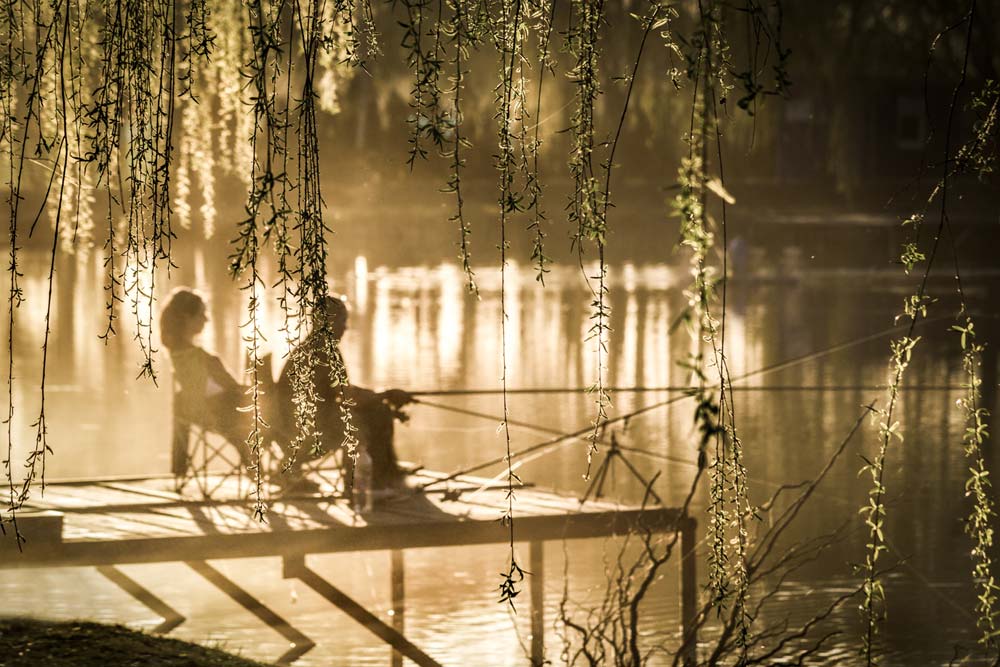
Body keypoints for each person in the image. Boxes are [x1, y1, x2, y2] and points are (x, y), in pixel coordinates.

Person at [275, 295, 413, 490]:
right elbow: (348, 397)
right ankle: (362, 484)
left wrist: (381, 396)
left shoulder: (311, 348)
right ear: (328, 322)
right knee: (369, 417)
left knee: (377, 410)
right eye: (342, 322)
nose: (345, 328)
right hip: (306, 433)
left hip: (294, 426)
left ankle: (382, 474)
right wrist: (385, 396)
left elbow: (343, 392)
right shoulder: (324, 351)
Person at [160, 288, 252, 471]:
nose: (207, 319)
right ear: (187, 317)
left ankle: (265, 468)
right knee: (276, 408)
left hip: (203, 414)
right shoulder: (205, 360)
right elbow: (234, 390)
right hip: (225, 415)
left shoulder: (178, 356)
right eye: (202, 314)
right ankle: (287, 470)